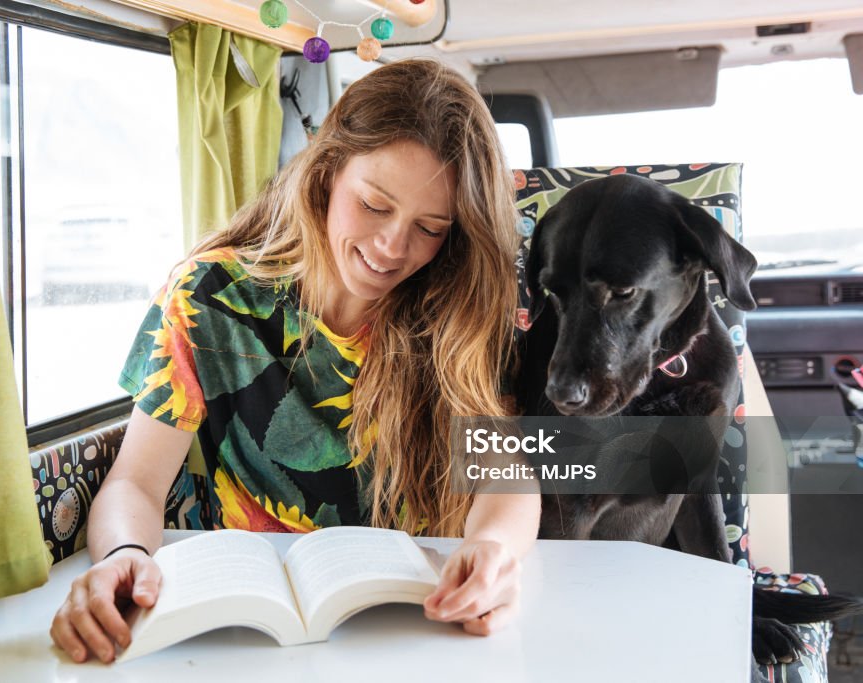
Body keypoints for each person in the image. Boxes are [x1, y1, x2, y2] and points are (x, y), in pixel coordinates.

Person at [50, 58, 540, 664]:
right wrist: (127, 555)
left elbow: (507, 473)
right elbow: (136, 484)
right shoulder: (206, 298)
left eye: (430, 228)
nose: (392, 248)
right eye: (375, 205)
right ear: (328, 171)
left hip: (416, 629)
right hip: (242, 638)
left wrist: (494, 547)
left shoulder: (460, 309)